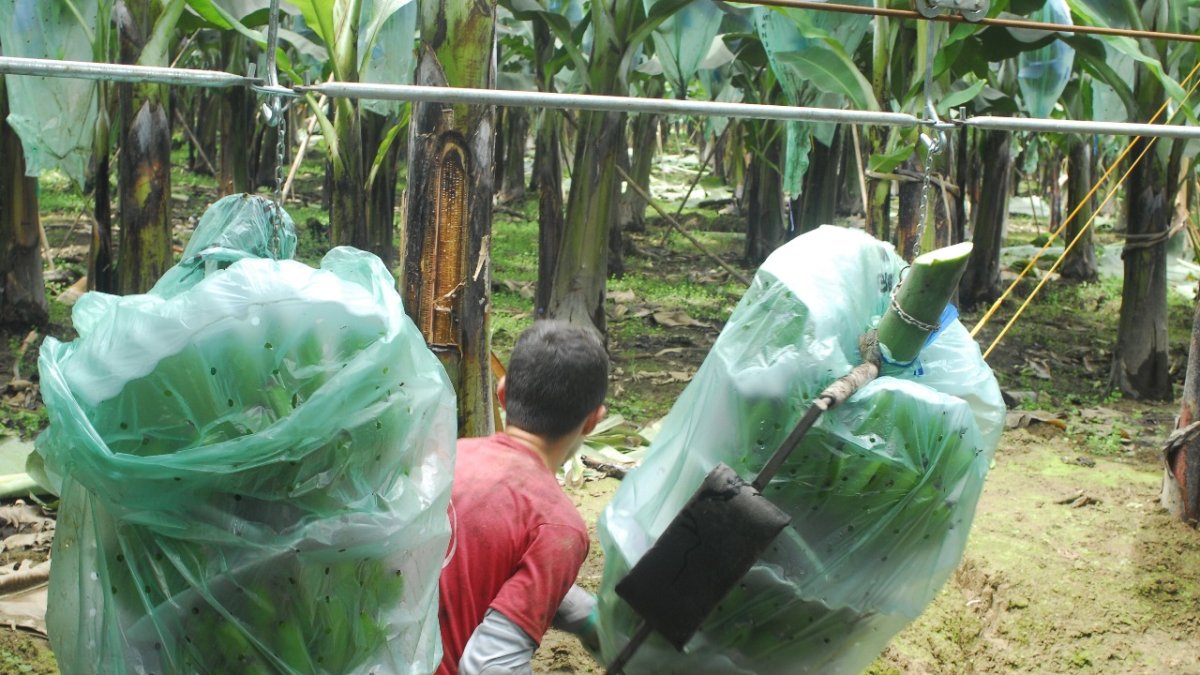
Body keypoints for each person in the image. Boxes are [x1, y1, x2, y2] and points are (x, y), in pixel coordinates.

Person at [437, 320, 608, 674]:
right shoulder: (556, 525)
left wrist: (589, 617)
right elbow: (491, 665)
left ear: (502, 392)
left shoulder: (442, 458)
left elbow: (480, 562)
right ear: (593, 421)